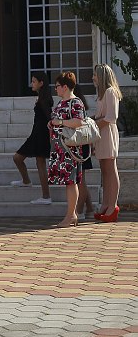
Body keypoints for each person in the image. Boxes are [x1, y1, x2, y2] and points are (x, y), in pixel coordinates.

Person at [47, 72, 87, 228]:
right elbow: (57, 121)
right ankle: (72, 214)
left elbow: (79, 122)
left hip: (70, 148)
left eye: (57, 86)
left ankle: (70, 216)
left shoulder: (75, 102)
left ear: (65, 87)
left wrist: (60, 121)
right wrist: (52, 123)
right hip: (60, 148)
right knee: (68, 182)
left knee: (71, 181)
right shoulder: (61, 103)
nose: (55, 89)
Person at [12, 73, 54, 205]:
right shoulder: (42, 97)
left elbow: (49, 116)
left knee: (39, 163)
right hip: (36, 133)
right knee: (18, 158)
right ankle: (26, 181)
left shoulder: (44, 99)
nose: (32, 84)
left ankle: (46, 196)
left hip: (40, 134)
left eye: (34, 81)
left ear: (41, 83)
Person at [93, 64, 123, 222]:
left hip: (107, 133)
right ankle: (106, 204)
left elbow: (111, 117)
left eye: (95, 75)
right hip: (100, 134)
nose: (93, 78)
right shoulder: (101, 94)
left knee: (111, 169)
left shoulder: (110, 92)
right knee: (104, 170)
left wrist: (93, 125)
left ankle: (113, 205)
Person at [73, 84, 96, 220]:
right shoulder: (81, 106)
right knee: (81, 179)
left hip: (80, 145)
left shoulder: (76, 106)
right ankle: (90, 208)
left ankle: (79, 210)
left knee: (80, 179)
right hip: (83, 144)